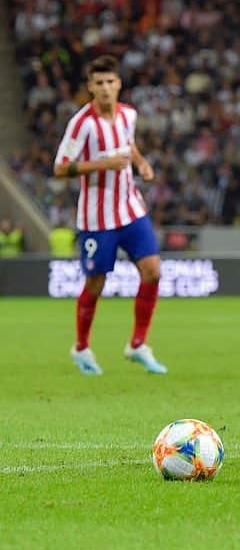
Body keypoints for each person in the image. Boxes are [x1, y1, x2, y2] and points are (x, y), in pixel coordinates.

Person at [52, 54, 167, 375]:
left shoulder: (129, 114)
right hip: (96, 218)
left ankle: (138, 344)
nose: (105, 88)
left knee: (153, 271)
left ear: (119, 84)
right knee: (96, 283)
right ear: (90, 87)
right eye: (99, 83)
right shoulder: (82, 123)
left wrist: (141, 162)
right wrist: (103, 164)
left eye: (110, 82)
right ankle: (81, 348)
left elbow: (128, 146)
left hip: (131, 207)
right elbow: (60, 167)